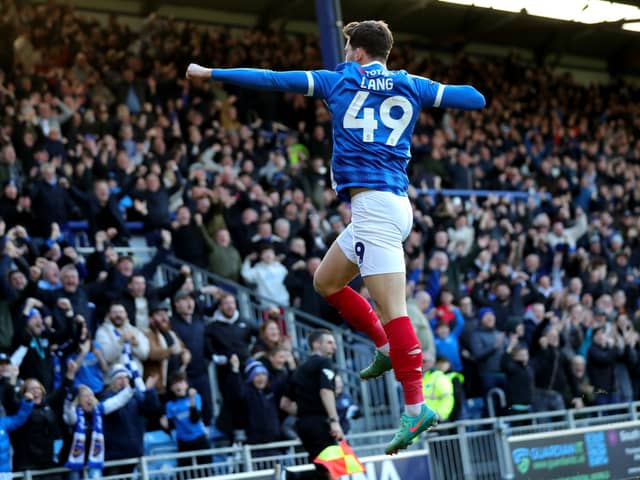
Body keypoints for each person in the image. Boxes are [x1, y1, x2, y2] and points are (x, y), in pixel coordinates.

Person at [187, 19, 485, 453]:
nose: (345, 54)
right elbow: (474, 98)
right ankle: (384, 347)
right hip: (394, 206)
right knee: (326, 281)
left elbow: (271, 79)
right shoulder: (410, 84)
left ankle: (416, 407)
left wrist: (213, 73)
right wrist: (425, 87)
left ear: (360, 52)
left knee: (396, 312)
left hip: (374, 212)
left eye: (348, 48)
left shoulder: (339, 80)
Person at [279, 329, 342, 480]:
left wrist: (305, 411)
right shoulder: (324, 363)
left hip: (303, 424)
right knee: (332, 470)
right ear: (316, 345)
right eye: (329, 342)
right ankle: (289, 477)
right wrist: (334, 421)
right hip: (320, 424)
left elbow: (284, 403)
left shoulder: (300, 368)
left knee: (320, 470)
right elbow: (325, 391)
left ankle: (291, 476)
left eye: (334, 343)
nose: (334, 347)